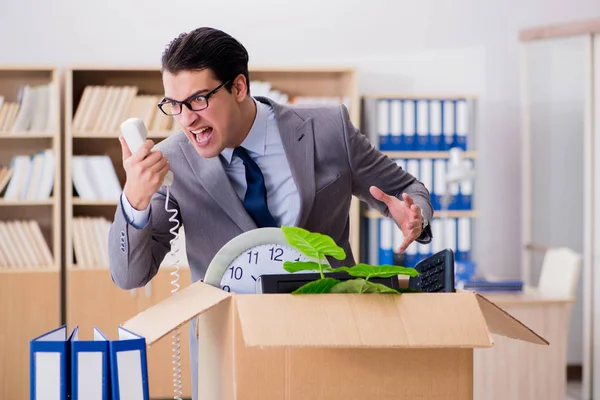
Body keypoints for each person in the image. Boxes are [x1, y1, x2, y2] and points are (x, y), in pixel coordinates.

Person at [108, 27, 433, 399]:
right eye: (174, 104)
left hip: (330, 344)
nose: (186, 120)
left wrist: (414, 216)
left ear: (239, 87)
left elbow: (409, 190)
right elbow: (130, 274)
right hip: (231, 356)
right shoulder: (173, 162)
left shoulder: (328, 131)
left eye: (198, 100)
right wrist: (134, 200)